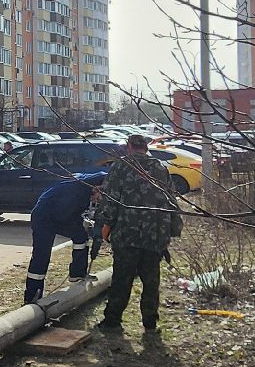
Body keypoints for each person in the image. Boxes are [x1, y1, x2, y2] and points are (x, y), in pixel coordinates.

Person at [94, 134, 183, 333]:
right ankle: (150, 321)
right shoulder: (160, 168)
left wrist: (105, 224)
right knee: (151, 280)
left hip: (127, 233)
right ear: (146, 147)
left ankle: (112, 320)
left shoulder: (121, 167)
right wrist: (173, 229)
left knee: (121, 278)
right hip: (155, 234)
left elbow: (110, 199)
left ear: (129, 147)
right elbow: (171, 200)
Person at [24, 170, 107, 304]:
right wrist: (81, 220)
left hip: (60, 214)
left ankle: (77, 274)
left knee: (81, 237)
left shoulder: (85, 182)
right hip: (44, 218)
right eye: (100, 195)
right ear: (96, 187)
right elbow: (64, 215)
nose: (98, 200)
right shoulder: (78, 191)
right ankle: (32, 295)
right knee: (41, 255)